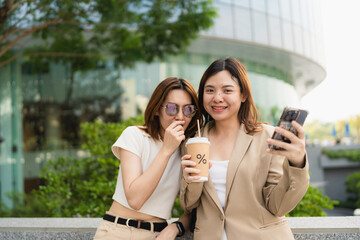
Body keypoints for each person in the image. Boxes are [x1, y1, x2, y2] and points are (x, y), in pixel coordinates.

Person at [180, 57, 309, 240]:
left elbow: (278, 206)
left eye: (227, 90)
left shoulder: (267, 137)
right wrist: (190, 179)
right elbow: (188, 205)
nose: (217, 98)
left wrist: (297, 163)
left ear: (243, 95)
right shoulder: (194, 142)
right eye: (209, 90)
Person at [94, 77, 202, 240]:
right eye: (172, 108)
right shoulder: (135, 136)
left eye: (188, 110)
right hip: (117, 231)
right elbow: (135, 199)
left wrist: (176, 227)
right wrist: (166, 150)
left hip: (158, 234)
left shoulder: (191, 149)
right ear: (157, 109)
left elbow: (195, 208)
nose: (180, 116)